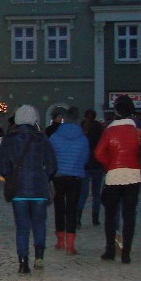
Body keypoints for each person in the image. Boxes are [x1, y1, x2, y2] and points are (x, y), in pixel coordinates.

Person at [0, 105, 57, 274]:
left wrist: (11, 177)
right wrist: (44, 175)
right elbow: (52, 165)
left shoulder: (10, 138)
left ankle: (23, 263)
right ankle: (39, 256)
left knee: (22, 226)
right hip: (39, 188)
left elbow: (2, 165)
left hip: (19, 190)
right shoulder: (42, 138)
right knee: (39, 223)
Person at [94, 95, 141, 264]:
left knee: (111, 215)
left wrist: (109, 165)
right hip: (133, 175)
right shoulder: (138, 131)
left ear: (116, 112)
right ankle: (126, 252)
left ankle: (110, 250)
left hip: (114, 176)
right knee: (129, 215)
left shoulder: (109, 131)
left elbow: (98, 153)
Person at [49, 106, 89, 255]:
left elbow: (51, 156)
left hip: (59, 176)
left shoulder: (55, 136)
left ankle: (60, 240)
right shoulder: (83, 138)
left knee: (59, 207)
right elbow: (85, 158)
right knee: (72, 208)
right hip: (76, 176)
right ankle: (70, 244)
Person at [77, 108, 105, 227]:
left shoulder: (82, 127)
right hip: (97, 164)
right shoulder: (99, 128)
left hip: (85, 164)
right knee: (96, 193)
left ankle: (78, 218)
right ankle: (95, 218)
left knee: (83, 193)